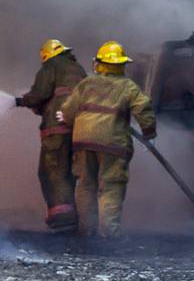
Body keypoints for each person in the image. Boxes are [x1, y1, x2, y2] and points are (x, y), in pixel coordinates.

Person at [55, 40, 155, 238]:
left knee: (85, 185)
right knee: (110, 187)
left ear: (99, 64)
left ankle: (86, 231)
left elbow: (69, 108)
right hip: (113, 144)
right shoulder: (128, 87)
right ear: (122, 65)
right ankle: (109, 235)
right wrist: (149, 134)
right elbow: (143, 109)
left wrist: (66, 117)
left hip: (83, 142)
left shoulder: (87, 84)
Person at [15, 39, 87, 230]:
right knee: (71, 171)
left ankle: (63, 218)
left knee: (52, 171)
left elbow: (41, 93)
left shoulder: (51, 66)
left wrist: (23, 101)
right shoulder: (77, 68)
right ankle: (76, 215)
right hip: (80, 128)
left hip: (57, 127)